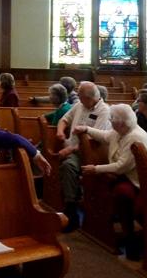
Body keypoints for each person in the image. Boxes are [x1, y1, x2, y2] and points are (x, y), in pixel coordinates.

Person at [75, 104, 147, 260]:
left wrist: (96, 169)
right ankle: (130, 237)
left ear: (121, 122)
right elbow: (104, 135)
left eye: (112, 119)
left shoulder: (134, 136)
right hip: (126, 177)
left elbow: (121, 166)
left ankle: (133, 239)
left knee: (123, 194)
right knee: (121, 192)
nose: (110, 121)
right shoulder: (119, 132)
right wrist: (86, 129)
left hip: (141, 181)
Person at [56, 81, 112, 231]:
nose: (78, 99)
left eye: (80, 96)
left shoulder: (104, 111)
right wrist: (60, 132)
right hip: (73, 148)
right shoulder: (79, 105)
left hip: (91, 153)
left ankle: (71, 211)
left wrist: (70, 150)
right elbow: (64, 119)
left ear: (89, 98)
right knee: (65, 164)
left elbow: (94, 140)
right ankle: (69, 206)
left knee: (68, 166)